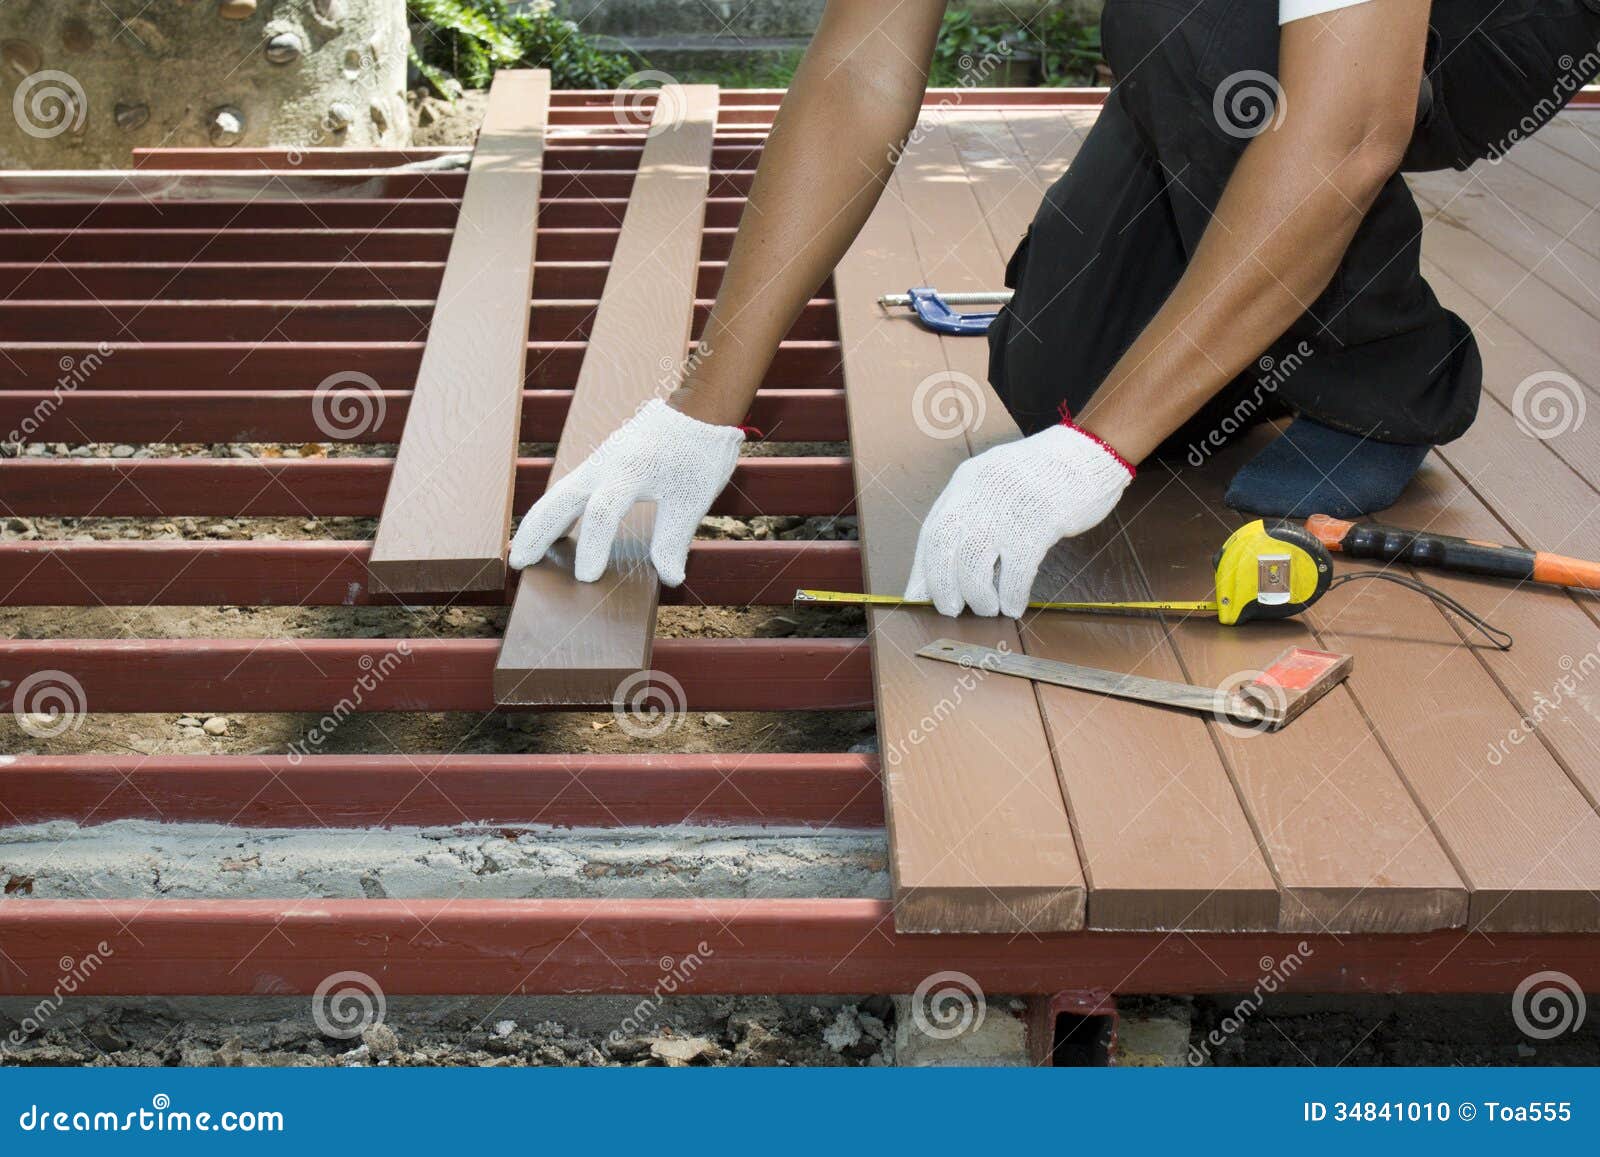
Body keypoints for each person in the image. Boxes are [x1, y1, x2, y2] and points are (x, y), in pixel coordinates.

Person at [510, 0, 1600, 618]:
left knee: (1183, 23)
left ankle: (1386, 375)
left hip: (1488, 26)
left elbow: (1350, 131)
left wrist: (1096, 454)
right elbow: (860, 67)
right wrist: (703, 406)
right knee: (1051, 374)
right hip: (1238, 36)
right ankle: (1264, 332)